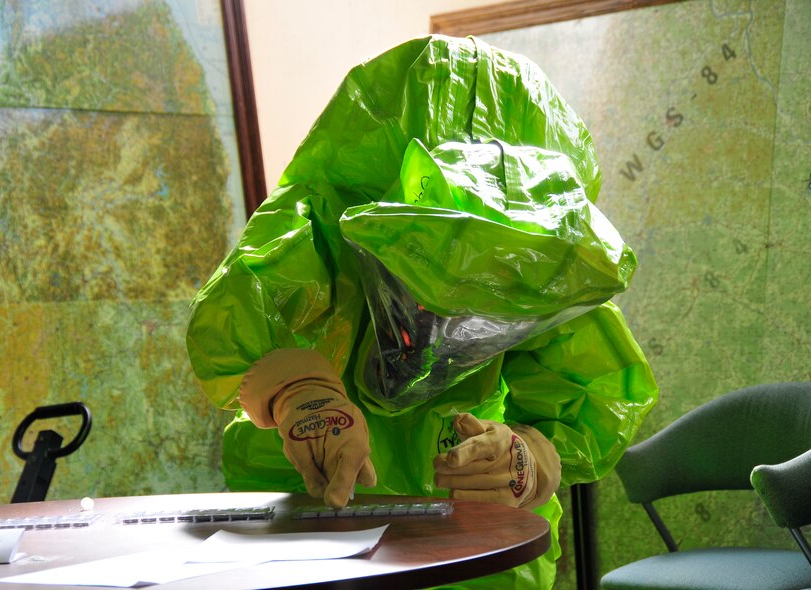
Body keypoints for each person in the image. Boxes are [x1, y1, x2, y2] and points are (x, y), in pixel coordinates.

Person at [186, 35, 658, 589]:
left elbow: (590, 388)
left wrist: (530, 456)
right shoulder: (318, 229)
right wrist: (299, 393)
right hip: (309, 528)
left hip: (477, 538)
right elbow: (243, 313)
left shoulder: (545, 263)